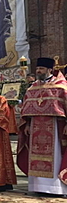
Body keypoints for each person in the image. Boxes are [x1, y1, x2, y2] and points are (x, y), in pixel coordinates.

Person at [17, 57, 67, 195]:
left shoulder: (61, 86)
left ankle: (55, 188)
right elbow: (26, 109)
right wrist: (27, 123)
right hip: (35, 128)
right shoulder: (32, 88)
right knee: (35, 157)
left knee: (55, 156)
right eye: (37, 69)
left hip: (55, 127)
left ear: (50, 70)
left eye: (41, 69)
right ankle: (38, 187)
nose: (38, 71)